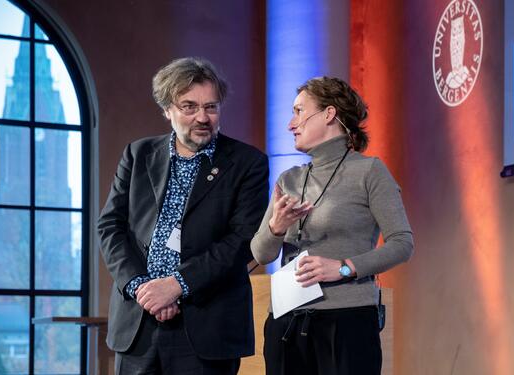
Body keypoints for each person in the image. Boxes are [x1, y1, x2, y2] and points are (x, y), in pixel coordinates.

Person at [98, 57, 269, 375]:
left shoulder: (248, 163)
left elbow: (242, 239)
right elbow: (110, 227)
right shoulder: (138, 154)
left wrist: (177, 284)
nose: (202, 117)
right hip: (138, 322)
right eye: (189, 107)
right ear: (167, 110)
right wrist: (143, 289)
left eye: (211, 107)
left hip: (207, 326)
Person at [251, 76, 413, 375]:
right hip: (286, 322)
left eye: (299, 111)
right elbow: (261, 255)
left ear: (329, 114)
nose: (290, 124)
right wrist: (276, 227)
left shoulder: (369, 172)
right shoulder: (289, 179)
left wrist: (343, 267)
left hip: (347, 322)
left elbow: (402, 243)